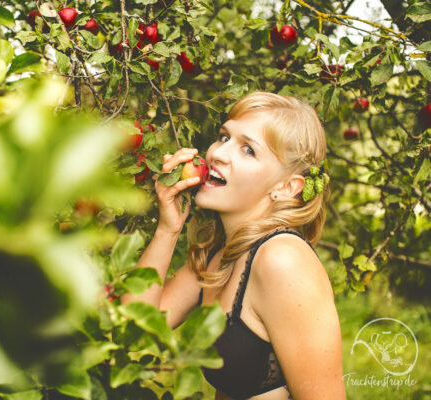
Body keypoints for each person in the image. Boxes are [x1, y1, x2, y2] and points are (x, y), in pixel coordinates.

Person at [120, 92, 346, 400]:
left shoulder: (282, 260)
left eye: (248, 150)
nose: (218, 154)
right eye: (224, 137)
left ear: (286, 187)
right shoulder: (219, 254)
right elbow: (133, 331)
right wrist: (167, 229)